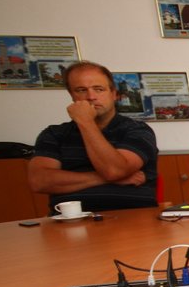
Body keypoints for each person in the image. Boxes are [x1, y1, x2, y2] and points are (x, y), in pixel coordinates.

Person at [28, 61, 158, 212]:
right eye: (81, 90)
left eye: (99, 89)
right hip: (70, 219)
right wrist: (102, 178)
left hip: (132, 216)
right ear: (72, 96)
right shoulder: (54, 134)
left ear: (114, 94)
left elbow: (114, 171)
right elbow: (39, 182)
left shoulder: (137, 130)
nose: (90, 97)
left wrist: (86, 122)